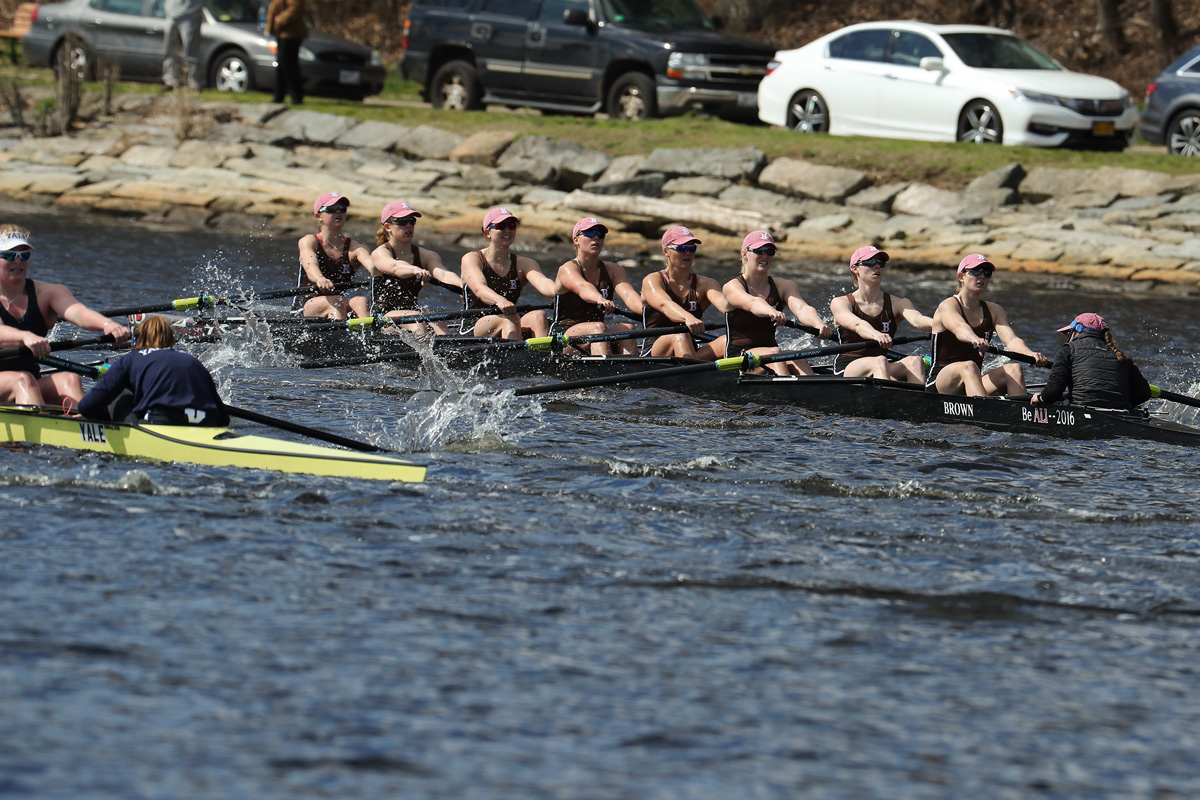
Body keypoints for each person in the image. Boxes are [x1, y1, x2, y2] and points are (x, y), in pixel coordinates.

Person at [0, 226, 131, 406]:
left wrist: (108, 325)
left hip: (28, 382)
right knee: (22, 380)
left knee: (70, 380)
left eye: (24, 255)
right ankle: (43, 429)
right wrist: (25, 337)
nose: (18, 261)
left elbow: (77, 312)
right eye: (8, 255)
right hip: (20, 382)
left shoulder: (47, 293)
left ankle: (84, 427)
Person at [927, 253, 1047, 396]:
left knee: (1014, 369)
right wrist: (973, 338)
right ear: (961, 276)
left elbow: (1011, 340)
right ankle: (983, 410)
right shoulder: (948, 305)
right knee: (969, 366)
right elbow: (959, 327)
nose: (982, 276)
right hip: (940, 382)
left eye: (986, 272)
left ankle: (1022, 414)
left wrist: (1030, 354)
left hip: (973, 379)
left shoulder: (994, 310)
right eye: (976, 271)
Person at [76, 315, 229, 426]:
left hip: (160, 423)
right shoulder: (193, 362)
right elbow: (223, 419)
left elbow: (86, 406)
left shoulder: (131, 359)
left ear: (138, 340)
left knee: (121, 393)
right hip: (206, 423)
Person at [722, 231, 832, 375]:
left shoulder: (784, 286)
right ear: (744, 254)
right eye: (759, 251)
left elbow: (802, 308)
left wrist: (818, 324)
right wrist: (771, 311)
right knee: (775, 355)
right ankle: (788, 392)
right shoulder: (732, 286)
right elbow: (752, 303)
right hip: (738, 358)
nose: (765, 256)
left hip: (772, 353)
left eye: (770, 252)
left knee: (799, 358)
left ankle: (816, 392)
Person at [829, 244, 933, 383]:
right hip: (848, 368)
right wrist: (876, 335)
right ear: (855, 269)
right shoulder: (841, 302)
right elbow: (857, 325)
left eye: (881, 263)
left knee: (915, 361)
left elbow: (917, 320)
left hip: (881, 365)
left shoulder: (898, 303)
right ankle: (886, 401)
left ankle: (921, 403)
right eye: (870, 263)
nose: (877, 266)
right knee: (880, 361)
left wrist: (940, 324)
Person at [459, 207, 555, 340]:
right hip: (474, 326)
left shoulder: (525, 263)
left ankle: (543, 357)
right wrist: (500, 300)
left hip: (511, 319)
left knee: (538, 316)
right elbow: (479, 289)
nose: (507, 230)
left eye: (511, 226)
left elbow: (545, 284)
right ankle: (515, 359)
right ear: (487, 233)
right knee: (509, 320)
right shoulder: (472, 258)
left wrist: (566, 291)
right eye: (500, 226)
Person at [551, 217, 644, 355]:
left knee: (627, 328)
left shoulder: (613, 270)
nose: (596, 238)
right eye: (589, 233)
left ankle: (634, 371)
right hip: (563, 336)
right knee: (598, 327)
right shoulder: (567, 269)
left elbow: (630, 296)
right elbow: (582, 287)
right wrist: (600, 299)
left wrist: (651, 312)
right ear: (576, 240)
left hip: (596, 334)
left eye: (600, 235)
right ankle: (606, 369)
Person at [369, 201, 463, 336]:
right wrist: (415, 270)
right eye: (402, 222)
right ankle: (424, 355)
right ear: (388, 227)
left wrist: (464, 287)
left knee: (438, 321)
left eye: (411, 221)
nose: (408, 226)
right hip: (382, 318)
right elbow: (395, 267)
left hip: (412, 313)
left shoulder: (426, 255)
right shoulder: (380, 253)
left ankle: (448, 354)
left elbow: (443, 274)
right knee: (416, 320)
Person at [641, 226, 727, 360]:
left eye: (692, 248)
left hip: (689, 349)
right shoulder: (652, 280)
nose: (687, 253)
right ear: (666, 251)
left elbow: (725, 306)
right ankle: (696, 378)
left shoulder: (707, 284)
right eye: (681, 248)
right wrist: (688, 317)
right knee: (681, 335)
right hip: (654, 352)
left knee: (726, 341)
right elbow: (665, 305)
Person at [1031, 313, 1152, 409]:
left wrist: (1041, 398)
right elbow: (1144, 393)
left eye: (1069, 332)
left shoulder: (1068, 349)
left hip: (1083, 412)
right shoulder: (1120, 356)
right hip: (1121, 413)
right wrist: (1124, 403)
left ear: (1077, 331)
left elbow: (1052, 393)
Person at [297, 192, 372, 320]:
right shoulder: (309, 241)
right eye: (331, 209)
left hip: (338, 304)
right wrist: (319, 278)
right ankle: (340, 337)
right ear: (318, 216)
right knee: (337, 300)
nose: (338, 212)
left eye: (342, 209)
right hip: (307, 305)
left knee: (360, 301)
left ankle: (368, 337)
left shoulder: (356, 248)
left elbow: (374, 267)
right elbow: (310, 266)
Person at [265, 0, 307, 105]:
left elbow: (295, 9)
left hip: (292, 34)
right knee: (281, 64)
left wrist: (279, 20)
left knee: (288, 64)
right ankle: (279, 96)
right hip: (282, 33)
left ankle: (296, 96)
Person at [162, 0, 204, 91]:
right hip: (171, 15)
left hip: (190, 14)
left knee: (191, 52)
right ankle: (170, 81)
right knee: (170, 51)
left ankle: (193, 83)